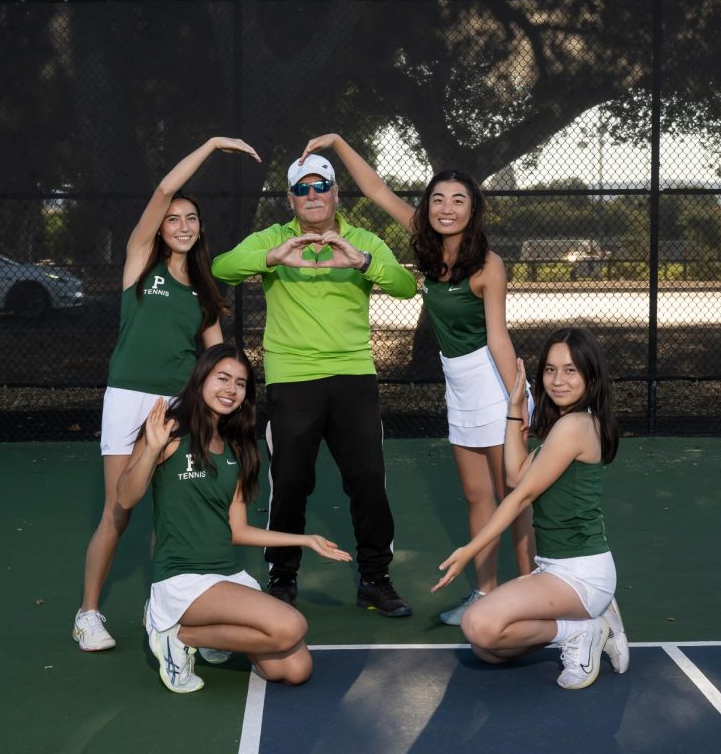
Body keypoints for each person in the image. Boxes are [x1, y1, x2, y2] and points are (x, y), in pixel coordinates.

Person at [298, 134, 533, 626]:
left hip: (493, 384)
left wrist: (519, 400)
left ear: (474, 210)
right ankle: (485, 594)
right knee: (476, 498)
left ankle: (535, 592)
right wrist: (340, 144)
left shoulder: (488, 265)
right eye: (438, 200)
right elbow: (379, 190)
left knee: (514, 493)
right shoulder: (427, 243)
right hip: (458, 385)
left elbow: (498, 339)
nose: (446, 209)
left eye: (458, 201)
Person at [211, 151, 418, 617]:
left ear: (335, 193)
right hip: (293, 378)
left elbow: (407, 286)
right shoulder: (274, 238)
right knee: (290, 483)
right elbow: (222, 267)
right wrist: (271, 256)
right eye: (301, 189)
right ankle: (282, 579)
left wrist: (363, 262)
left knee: (367, 479)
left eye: (320, 186)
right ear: (290, 199)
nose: (312, 195)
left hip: (354, 375)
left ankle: (375, 579)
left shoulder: (362, 239)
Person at [73, 137, 260, 652]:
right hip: (127, 398)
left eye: (191, 219)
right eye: (173, 218)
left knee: (172, 510)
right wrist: (213, 144)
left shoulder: (204, 294)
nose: (181, 224)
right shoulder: (140, 264)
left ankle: (167, 616)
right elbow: (162, 187)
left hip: (178, 404)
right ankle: (88, 613)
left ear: (200, 229)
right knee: (119, 509)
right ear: (160, 226)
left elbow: (222, 364)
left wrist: (239, 402)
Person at [118, 343, 353, 693]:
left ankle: (207, 636)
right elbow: (125, 496)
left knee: (295, 669)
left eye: (240, 384)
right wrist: (151, 449)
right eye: (222, 378)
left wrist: (305, 539)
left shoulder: (238, 449)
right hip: (182, 577)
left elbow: (237, 531)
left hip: (224, 574)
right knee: (290, 626)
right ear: (201, 380)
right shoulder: (169, 432)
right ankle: (177, 635)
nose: (231, 390)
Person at [432, 327, 629, 690]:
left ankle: (583, 629)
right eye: (551, 370)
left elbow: (519, 496)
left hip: (580, 574)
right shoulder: (568, 427)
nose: (558, 380)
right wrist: (513, 411)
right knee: (488, 649)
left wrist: (470, 549)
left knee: (478, 624)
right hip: (555, 569)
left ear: (591, 375)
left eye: (570, 370)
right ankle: (581, 626)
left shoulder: (576, 425)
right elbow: (515, 475)